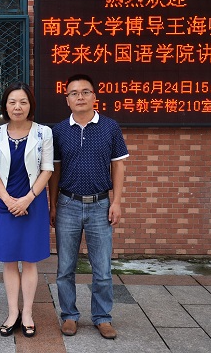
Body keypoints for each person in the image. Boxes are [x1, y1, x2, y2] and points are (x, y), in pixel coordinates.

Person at [48, 73, 129, 340]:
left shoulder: (109, 127)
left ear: (94, 96)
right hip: (68, 204)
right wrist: (53, 204)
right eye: (74, 93)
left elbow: (118, 165)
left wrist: (116, 201)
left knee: (102, 269)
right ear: (67, 99)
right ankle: (69, 315)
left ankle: (102, 317)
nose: (80, 97)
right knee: (65, 268)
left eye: (85, 92)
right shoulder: (59, 131)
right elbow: (55, 172)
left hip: (100, 205)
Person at [0, 82, 53, 338]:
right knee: (9, 260)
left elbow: (47, 169)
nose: (17, 107)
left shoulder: (43, 133)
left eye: (23, 102)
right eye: (12, 102)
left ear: (30, 105)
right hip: (4, 204)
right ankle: (13, 312)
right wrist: (8, 200)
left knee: (30, 260)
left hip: (33, 203)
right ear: (5, 105)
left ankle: (28, 314)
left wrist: (27, 199)